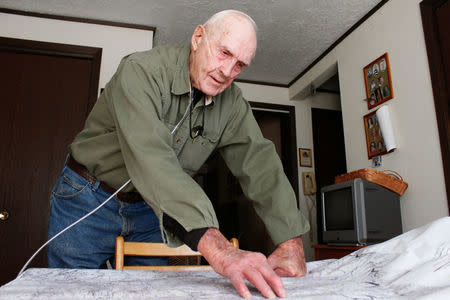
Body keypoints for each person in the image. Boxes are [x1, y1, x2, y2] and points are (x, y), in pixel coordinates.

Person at [47, 10, 309, 299]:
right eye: (224, 53)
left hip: (151, 210)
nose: (227, 72)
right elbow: (154, 159)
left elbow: (261, 165)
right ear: (198, 38)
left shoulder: (232, 101)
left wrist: (291, 242)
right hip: (87, 197)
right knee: (71, 292)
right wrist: (221, 251)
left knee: (151, 292)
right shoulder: (140, 70)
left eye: (239, 65)